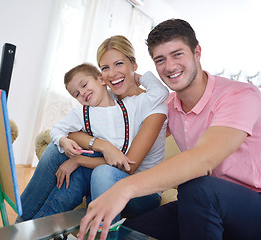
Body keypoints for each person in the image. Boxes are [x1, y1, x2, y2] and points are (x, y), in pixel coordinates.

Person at [77, 18, 261, 240]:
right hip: (201, 203)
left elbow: (203, 160)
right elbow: (127, 141)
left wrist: (125, 188)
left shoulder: (240, 95)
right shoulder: (168, 106)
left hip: (252, 206)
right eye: (160, 60)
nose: (170, 66)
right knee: (129, 233)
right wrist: (90, 143)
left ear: (197, 52)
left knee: (196, 185)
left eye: (177, 54)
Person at [16, 36, 169, 222]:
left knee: (98, 171)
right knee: (57, 151)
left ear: (134, 64)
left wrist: (80, 160)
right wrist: (103, 145)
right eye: (105, 68)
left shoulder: (151, 104)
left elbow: (128, 166)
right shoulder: (107, 99)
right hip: (109, 169)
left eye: (119, 64)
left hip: (142, 189)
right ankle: (26, 226)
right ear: (100, 75)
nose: (112, 73)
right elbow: (71, 131)